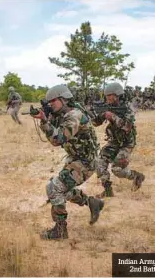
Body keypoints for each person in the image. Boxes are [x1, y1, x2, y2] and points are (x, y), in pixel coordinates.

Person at [32, 84, 104, 240]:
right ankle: (92, 202)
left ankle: (60, 230)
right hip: (76, 159)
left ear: (64, 100)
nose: (50, 104)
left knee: (54, 188)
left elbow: (58, 139)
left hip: (86, 162)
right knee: (61, 189)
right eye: (48, 102)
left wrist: (44, 121)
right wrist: (47, 117)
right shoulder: (61, 115)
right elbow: (54, 137)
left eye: (53, 101)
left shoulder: (74, 116)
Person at [91, 82, 145, 198]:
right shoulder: (107, 107)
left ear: (117, 95)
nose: (107, 98)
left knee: (116, 169)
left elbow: (127, 127)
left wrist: (113, 117)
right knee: (99, 163)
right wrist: (101, 115)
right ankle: (108, 190)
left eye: (109, 95)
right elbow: (95, 123)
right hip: (114, 141)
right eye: (106, 96)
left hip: (126, 143)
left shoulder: (127, 109)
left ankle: (136, 176)